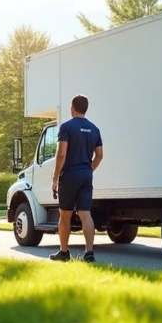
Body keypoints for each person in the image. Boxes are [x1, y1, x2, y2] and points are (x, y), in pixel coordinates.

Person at [49, 94, 104, 262]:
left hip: (70, 175)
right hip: (86, 175)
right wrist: (89, 170)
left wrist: (55, 177)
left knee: (64, 214)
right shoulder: (94, 129)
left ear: (72, 108)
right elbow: (100, 155)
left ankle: (64, 252)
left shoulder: (66, 127)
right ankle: (89, 253)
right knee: (85, 214)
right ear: (85, 109)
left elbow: (61, 154)